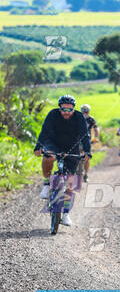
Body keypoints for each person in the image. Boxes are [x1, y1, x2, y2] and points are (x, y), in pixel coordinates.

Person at [34, 95, 91, 226]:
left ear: (74, 109)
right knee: (49, 156)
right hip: (53, 142)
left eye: (69, 110)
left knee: (71, 182)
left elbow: (85, 136)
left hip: (72, 146)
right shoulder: (53, 114)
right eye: (64, 109)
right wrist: (38, 146)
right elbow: (44, 131)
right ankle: (47, 183)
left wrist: (87, 151)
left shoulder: (79, 117)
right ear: (59, 108)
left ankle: (66, 214)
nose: (66, 112)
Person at [80, 104, 99, 182]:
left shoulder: (91, 119)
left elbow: (96, 129)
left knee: (87, 157)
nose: (85, 113)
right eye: (84, 112)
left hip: (87, 140)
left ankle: (86, 174)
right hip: (77, 140)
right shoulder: (78, 119)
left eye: (86, 112)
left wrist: (96, 138)